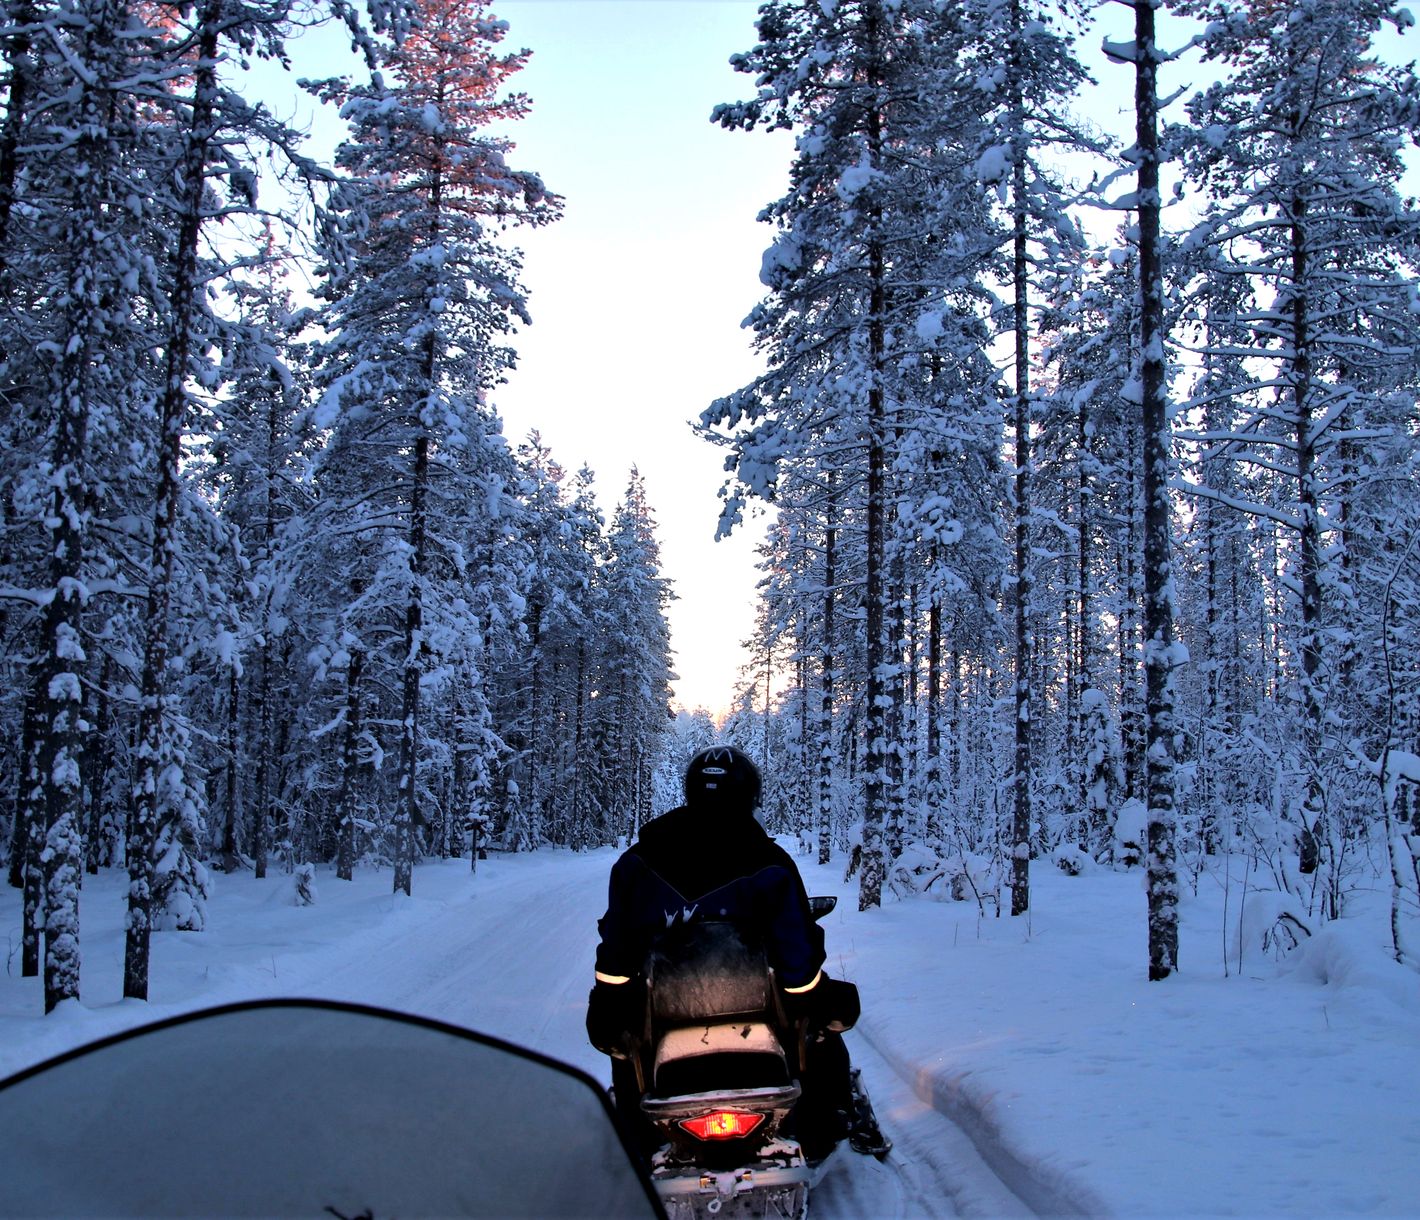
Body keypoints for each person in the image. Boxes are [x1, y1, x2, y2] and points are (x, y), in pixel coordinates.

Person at [586, 745, 870, 1161]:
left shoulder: (638, 861)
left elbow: (616, 947)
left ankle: (634, 1139)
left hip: (665, 1013)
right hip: (754, 1009)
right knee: (822, 1022)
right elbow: (797, 950)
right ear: (750, 794)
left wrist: (609, 996)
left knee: (622, 1036)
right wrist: (810, 992)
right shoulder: (770, 862)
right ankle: (832, 1122)